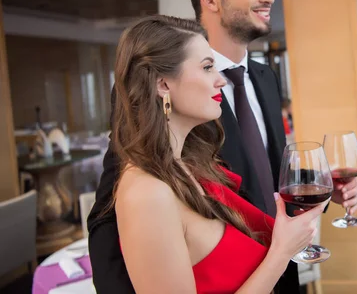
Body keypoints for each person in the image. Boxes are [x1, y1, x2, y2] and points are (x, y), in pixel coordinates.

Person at [87, 0, 357, 293]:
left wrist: (317, 192)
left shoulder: (265, 78)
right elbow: (110, 217)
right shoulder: (151, 103)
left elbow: (268, 177)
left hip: (278, 266)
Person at [105, 15, 325, 293]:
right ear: (162, 85)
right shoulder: (148, 194)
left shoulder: (189, 167)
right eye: (208, 67)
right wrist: (281, 253)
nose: (221, 80)